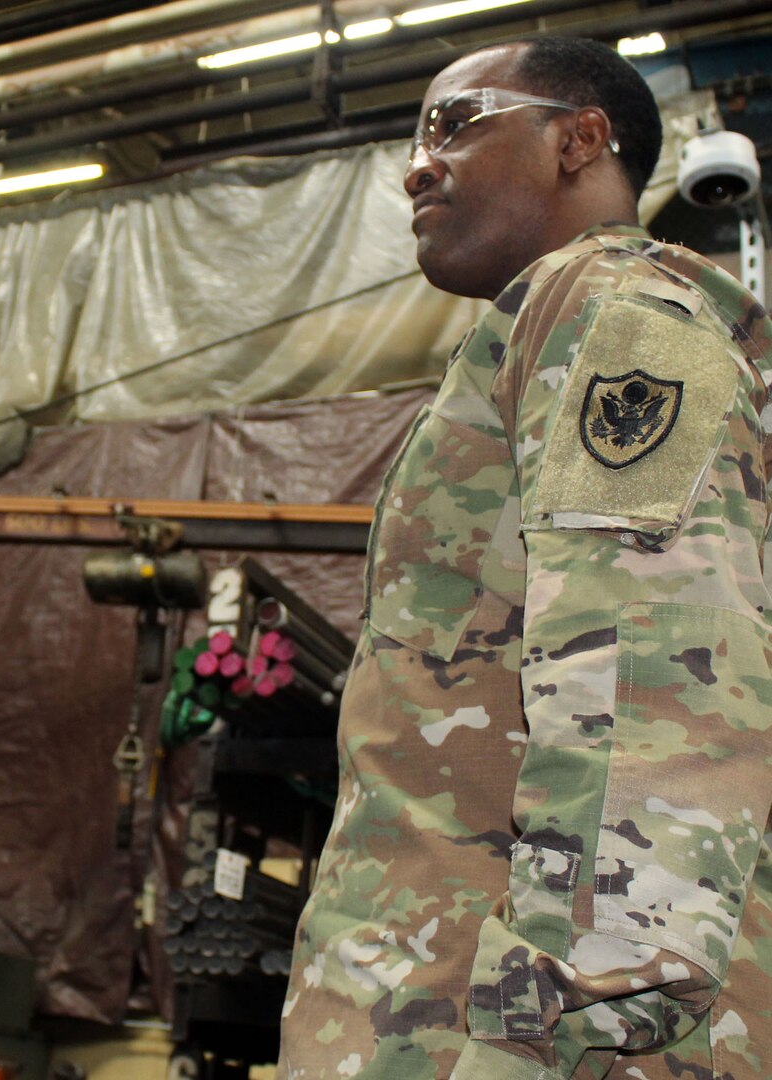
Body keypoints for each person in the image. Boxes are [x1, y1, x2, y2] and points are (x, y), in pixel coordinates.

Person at [279, 37, 772, 1079]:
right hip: (439, 1012)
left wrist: (559, 1035)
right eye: (415, 138)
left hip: (530, 1040)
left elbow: (650, 674)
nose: (419, 164)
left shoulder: (617, 308)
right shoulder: (533, 333)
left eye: (456, 124)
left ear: (579, 141)